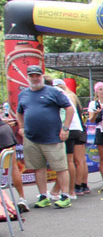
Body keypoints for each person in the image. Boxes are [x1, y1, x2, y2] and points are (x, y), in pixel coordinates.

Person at [15, 65, 74, 209]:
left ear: (42, 76)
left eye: (37, 75)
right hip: (32, 138)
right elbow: (19, 111)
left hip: (53, 137)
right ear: (28, 77)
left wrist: (65, 128)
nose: (35, 78)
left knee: (60, 167)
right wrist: (21, 127)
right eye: (32, 76)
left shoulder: (54, 92)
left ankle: (65, 195)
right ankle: (43, 196)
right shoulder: (23, 94)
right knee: (38, 167)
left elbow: (69, 107)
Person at [50, 79, 88, 197]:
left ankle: (70, 190)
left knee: (68, 162)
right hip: (78, 129)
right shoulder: (71, 96)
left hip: (69, 129)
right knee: (79, 161)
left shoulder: (59, 94)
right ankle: (79, 186)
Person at [88, 82, 103, 190]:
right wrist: (96, 113)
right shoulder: (93, 104)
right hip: (100, 130)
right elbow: (91, 120)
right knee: (102, 158)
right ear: (96, 92)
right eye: (100, 89)